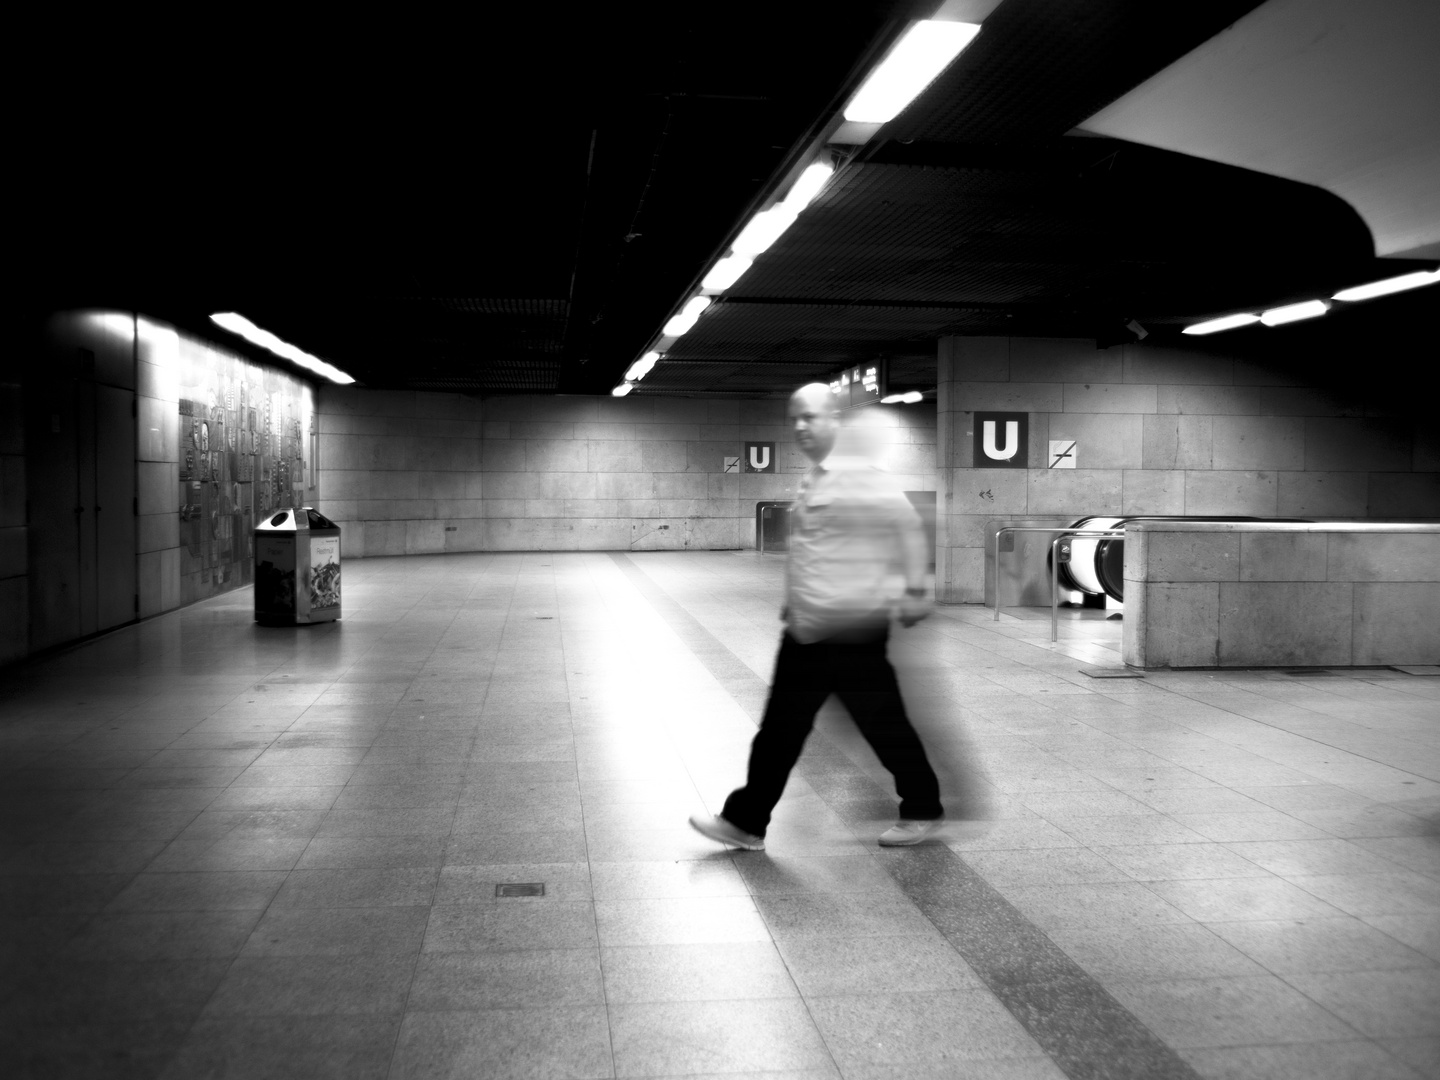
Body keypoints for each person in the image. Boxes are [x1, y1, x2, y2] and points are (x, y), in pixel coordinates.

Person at [690, 382, 944, 850]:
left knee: (881, 725)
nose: (802, 427)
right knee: (779, 733)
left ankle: (924, 807)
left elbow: (908, 529)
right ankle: (746, 821)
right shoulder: (817, 477)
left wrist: (913, 591)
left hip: (852, 629)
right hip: (809, 629)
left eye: (811, 417)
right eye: (795, 419)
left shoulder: (860, 476)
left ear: (834, 421)